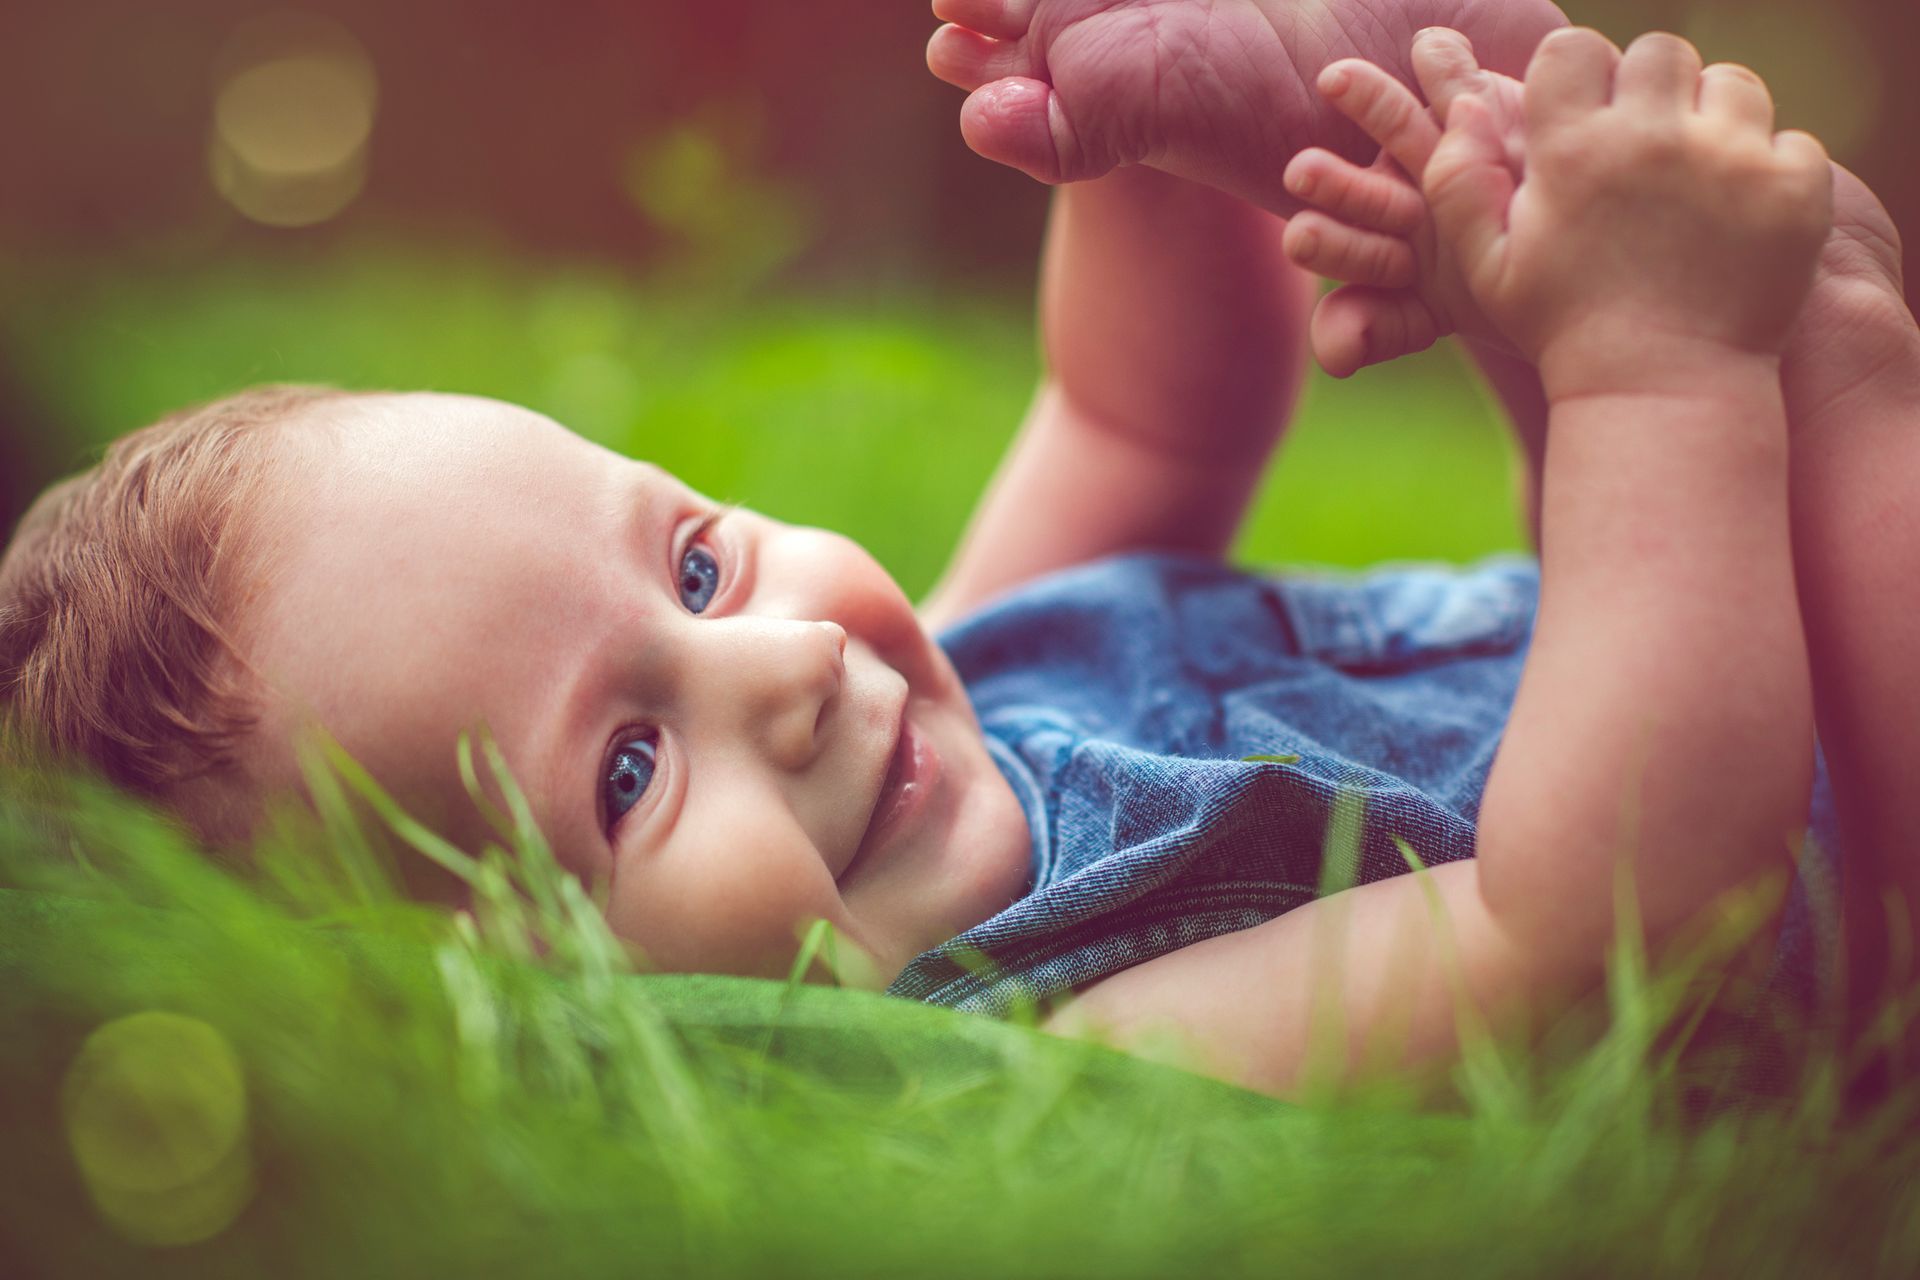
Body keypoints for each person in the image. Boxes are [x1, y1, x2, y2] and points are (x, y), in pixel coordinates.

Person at [0, 0, 1897, 1098]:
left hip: (1663, 631)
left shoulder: (963, 683)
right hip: (1850, 846)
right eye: (631, 770)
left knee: (1709, 294)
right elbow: (1600, 923)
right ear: (560, 1029)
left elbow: (1144, 418)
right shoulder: (1067, 1036)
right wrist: (1651, 376)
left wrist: (1130, 132)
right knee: (1818, 359)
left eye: (696, 569)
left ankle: (1375, 115)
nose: (792, 669)